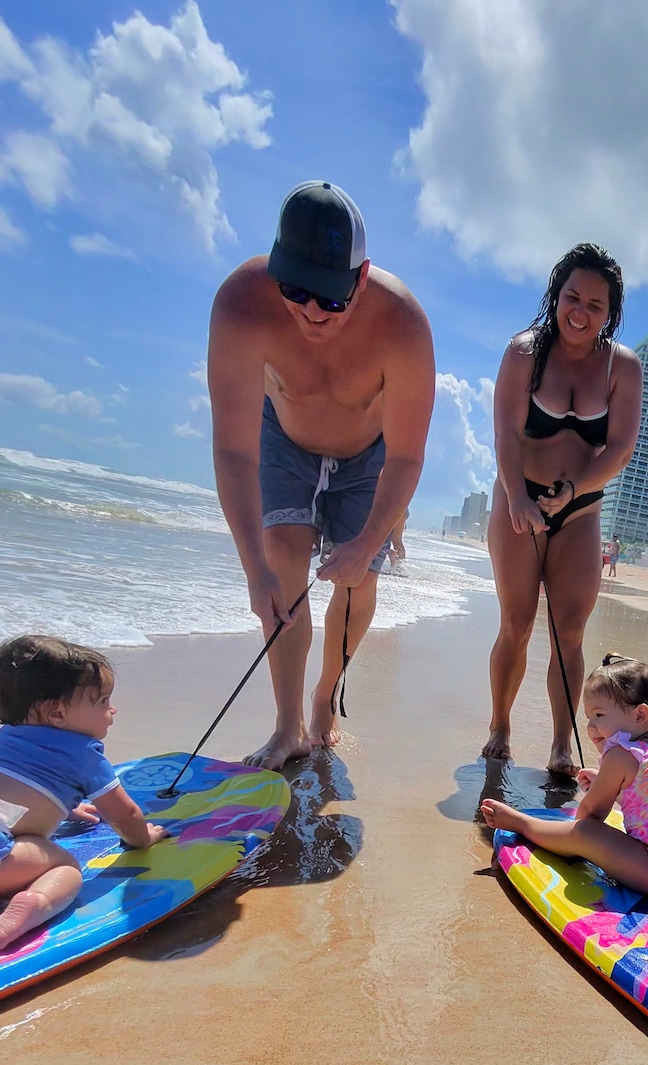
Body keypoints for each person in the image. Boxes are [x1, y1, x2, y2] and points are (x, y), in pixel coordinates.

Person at [208, 181, 435, 769]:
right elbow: (233, 451)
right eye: (295, 291)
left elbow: (408, 456)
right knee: (281, 561)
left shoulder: (404, 325)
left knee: (357, 582)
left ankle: (326, 691)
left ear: (360, 279)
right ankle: (287, 728)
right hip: (281, 432)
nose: (310, 311)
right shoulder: (240, 303)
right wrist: (253, 569)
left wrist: (365, 544)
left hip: (372, 451)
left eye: (332, 300)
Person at [482, 243, 643, 775]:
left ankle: (560, 741)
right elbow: (505, 431)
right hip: (518, 499)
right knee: (518, 623)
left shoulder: (622, 367)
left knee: (569, 632)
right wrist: (518, 496)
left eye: (595, 305)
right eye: (572, 296)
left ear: (609, 313)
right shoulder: (524, 353)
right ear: (557, 295)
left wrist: (574, 491)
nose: (580, 312)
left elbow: (619, 448)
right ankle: (500, 725)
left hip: (581, 508)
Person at [481, 653, 648, 903]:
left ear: (639, 715)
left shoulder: (620, 756)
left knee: (584, 833)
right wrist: (610, 786)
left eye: (599, 715)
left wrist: (600, 792)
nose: (591, 727)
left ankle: (522, 824)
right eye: (589, 717)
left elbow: (588, 817)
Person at [0, 636, 167, 952]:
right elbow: (124, 815)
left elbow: (6, 791)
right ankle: (30, 907)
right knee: (62, 864)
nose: (113, 709)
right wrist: (144, 837)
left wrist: (62, 807)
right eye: (103, 701)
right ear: (56, 713)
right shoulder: (85, 754)